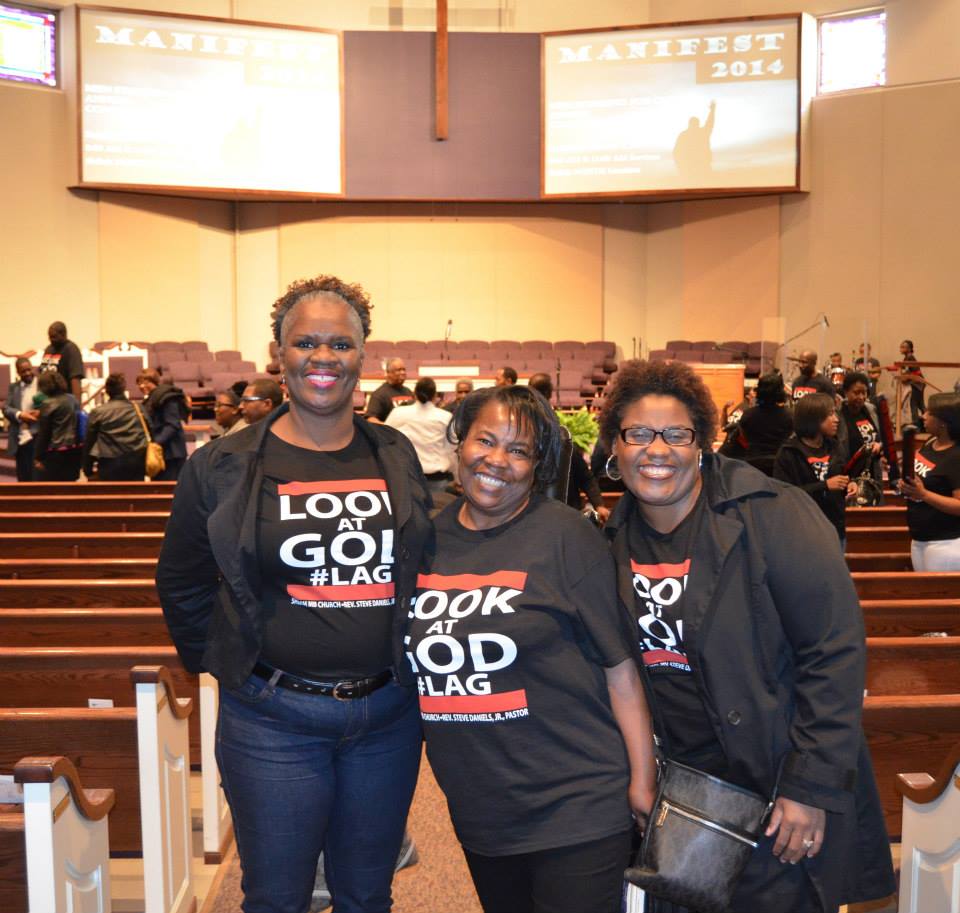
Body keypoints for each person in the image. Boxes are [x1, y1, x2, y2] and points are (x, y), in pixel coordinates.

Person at [156, 275, 432, 913]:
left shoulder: (394, 452)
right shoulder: (221, 465)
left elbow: (421, 560)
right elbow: (182, 580)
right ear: (278, 353)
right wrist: (233, 665)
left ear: (362, 354)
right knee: (278, 898)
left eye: (340, 343)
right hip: (272, 721)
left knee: (368, 895)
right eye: (305, 343)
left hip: (388, 717)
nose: (322, 357)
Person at [600, 359, 895, 913]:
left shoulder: (774, 514)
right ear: (614, 445)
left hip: (777, 779)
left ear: (703, 443)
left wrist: (808, 786)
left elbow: (833, 653)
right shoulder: (612, 539)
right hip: (686, 792)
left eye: (676, 434)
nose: (657, 450)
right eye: (638, 433)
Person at [406, 383, 656, 913]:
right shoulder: (426, 540)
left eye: (519, 450)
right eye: (485, 440)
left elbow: (621, 670)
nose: (497, 460)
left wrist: (642, 780)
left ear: (538, 466)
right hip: (481, 808)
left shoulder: (566, 537)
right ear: (460, 442)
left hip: (576, 803)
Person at [774, 393, 856, 548]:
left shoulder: (835, 447)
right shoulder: (789, 453)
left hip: (834, 528)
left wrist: (850, 485)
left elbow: (842, 477)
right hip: (802, 531)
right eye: (830, 414)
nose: (836, 419)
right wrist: (824, 486)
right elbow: (784, 495)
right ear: (814, 419)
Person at [528, 371, 609, 522]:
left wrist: (599, 505)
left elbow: (585, 477)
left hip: (566, 513)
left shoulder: (562, 438)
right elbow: (585, 477)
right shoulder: (528, 439)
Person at [900, 392, 960, 571]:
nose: (923, 416)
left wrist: (924, 494)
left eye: (929, 412)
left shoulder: (956, 456)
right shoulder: (931, 442)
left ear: (944, 422)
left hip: (945, 544)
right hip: (920, 538)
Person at [385, 376, 456, 509]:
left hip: (407, 476)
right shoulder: (445, 417)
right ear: (435, 395)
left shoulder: (398, 413)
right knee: (437, 516)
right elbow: (451, 450)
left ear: (414, 393)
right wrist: (457, 477)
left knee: (411, 515)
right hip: (437, 478)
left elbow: (385, 442)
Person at [724, 372, 793, 476]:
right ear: (781, 392)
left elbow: (743, 438)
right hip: (780, 465)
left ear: (759, 391)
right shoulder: (790, 415)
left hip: (753, 465)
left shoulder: (748, 414)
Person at [83, 373, 148, 480]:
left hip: (108, 462)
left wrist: (87, 468)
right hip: (136, 461)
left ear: (107, 391)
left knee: (110, 491)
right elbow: (150, 432)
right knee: (135, 490)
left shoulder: (98, 412)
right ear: (123, 389)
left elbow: (89, 441)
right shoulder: (138, 409)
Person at [836, 371, 884, 495]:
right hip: (849, 476)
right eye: (856, 393)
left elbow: (880, 436)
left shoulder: (870, 410)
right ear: (846, 392)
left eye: (864, 392)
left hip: (873, 473)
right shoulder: (838, 416)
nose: (861, 397)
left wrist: (879, 445)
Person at [136, 368, 188, 481]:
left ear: (154, 381)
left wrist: (155, 443)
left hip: (172, 454)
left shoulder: (167, 397)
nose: (142, 386)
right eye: (139, 383)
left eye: (145, 382)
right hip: (159, 453)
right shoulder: (150, 399)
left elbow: (172, 424)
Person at [32, 370, 82, 481]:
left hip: (56, 452)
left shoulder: (48, 404)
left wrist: (37, 457)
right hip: (75, 450)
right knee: (71, 484)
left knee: (54, 487)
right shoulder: (73, 399)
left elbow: (44, 434)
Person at [3, 356, 39, 481]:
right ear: (18, 372)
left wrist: (39, 413)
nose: (28, 373)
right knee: (23, 478)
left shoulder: (41, 385)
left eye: (29, 369)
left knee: (37, 478)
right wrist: (19, 414)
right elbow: (6, 408)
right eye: (23, 371)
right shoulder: (14, 387)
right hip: (20, 439)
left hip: (38, 438)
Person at [40, 321, 84, 401]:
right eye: (49, 337)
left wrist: (76, 404)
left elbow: (75, 379)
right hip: (47, 399)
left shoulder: (71, 350)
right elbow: (42, 371)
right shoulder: (49, 349)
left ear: (63, 334)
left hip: (64, 399)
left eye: (54, 337)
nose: (51, 339)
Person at [365, 357, 414, 422]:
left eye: (404, 370)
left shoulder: (408, 392)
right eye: (399, 370)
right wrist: (387, 427)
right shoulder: (379, 394)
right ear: (388, 373)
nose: (403, 372)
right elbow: (370, 419)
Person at [897, 339, 926, 425]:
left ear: (909, 349)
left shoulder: (910, 358)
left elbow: (916, 372)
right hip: (915, 383)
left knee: (914, 404)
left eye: (903, 347)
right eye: (901, 347)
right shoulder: (906, 358)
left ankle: (916, 424)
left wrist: (906, 377)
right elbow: (906, 371)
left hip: (917, 384)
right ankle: (925, 421)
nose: (901, 349)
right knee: (919, 404)